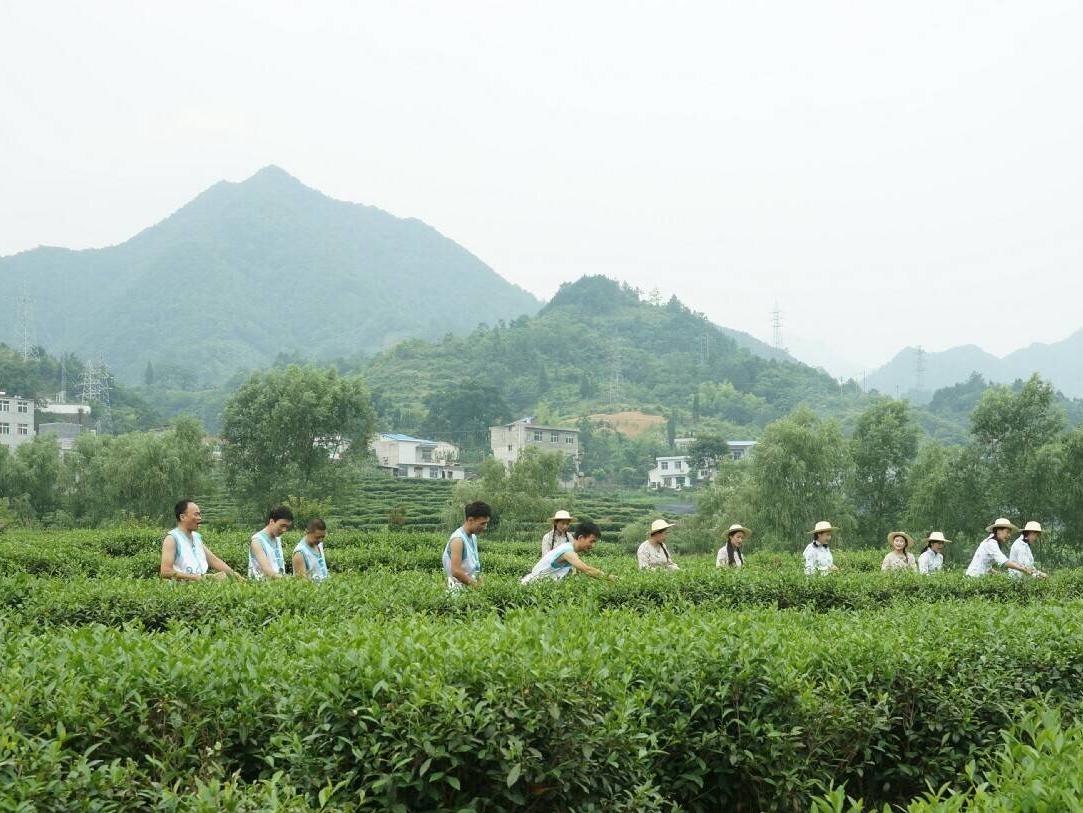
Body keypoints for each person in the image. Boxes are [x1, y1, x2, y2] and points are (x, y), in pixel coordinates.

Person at [159, 499, 243, 582]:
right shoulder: (172, 539)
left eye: (199, 515)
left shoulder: (196, 538)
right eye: (196, 515)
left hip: (200, 584)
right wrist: (197, 578)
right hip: (182, 587)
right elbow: (165, 571)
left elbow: (214, 561)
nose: (199, 518)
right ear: (182, 517)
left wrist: (235, 575)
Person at [521, 521, 617, 584]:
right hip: (531, 585)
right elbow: (587, 570)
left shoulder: (569, 548)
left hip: (537, 585)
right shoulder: (568, 552)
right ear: (581, 538)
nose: (593, 546)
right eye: (591, 541)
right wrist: (611, 578)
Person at [965, 518, 1046, 578]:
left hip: (978, 578)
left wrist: (1000, 575)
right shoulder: (991, 543)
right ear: (998, 531)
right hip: (973, 578)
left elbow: (987, 566)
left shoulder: (993, 542)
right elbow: (1004, 562)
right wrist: (1023, 569)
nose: (1009, 535)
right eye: (1007, 532)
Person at [443, 501, 491, 590]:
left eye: (486, 523)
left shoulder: (473, 537)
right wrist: (477, 586)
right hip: (457, 591)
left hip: (468, 588)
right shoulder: (458, 540)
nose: (485, 527)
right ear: (470, 520)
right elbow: (456, 571)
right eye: (482, 523)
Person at [249, 506, 294, 580]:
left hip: (278, 584)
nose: (284, 530)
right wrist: (289, 579)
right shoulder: (257, 541)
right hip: (261, 585)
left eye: (287, 527)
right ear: (272, 522)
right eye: (282, 525)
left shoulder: (277, 538)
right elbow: (267, 571)